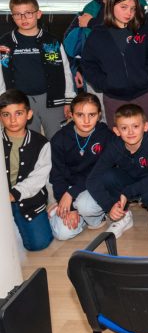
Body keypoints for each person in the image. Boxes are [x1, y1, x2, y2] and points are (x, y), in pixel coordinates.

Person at [84, 104, 148, 239]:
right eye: (124, 128)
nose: (130, 132)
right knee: (108, 176)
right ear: (117, 131)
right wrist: (109, 206)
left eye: (135, 126)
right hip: (129, 181)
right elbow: (92, 179)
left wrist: (128, 192)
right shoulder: (114, 146)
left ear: (145, 126)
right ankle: (122, 214)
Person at [63, 0, 147, 90]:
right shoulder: (90, 9)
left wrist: (92, 23)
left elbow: (131, 28)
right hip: (99, 76)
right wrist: (78, 67)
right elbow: (79, 42)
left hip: (132, 74)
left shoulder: (137, 2)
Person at [80, 0, 148, 127]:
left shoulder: (141, 30)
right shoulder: (98, 35)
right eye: (124, 7)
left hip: (144, 94)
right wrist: (105, 83)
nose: (129, 13)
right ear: (111, 6)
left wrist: (146, 75)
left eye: (133, 9)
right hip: (114, 97)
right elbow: (88, 65)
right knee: (118, 139)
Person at [0, 0, 75, 137]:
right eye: (17, 14)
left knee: (57, 140)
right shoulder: (5, 43)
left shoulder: (51, 41)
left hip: (52, 99)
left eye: (28, 13)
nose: (23, 18)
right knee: (27, 142)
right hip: (19, 102)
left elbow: (64, 70)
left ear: (38, 14)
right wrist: (3, 101)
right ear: (12, 16)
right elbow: (1, 74)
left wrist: (68, 99)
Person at [48, 93, 113, 241]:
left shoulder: (107, 136)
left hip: (94, 186)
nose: (86, 120)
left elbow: (100, 172)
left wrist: (71, 194)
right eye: (80, 115)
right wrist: (69, 208)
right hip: (69, 189)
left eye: (92, 115)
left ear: (99, 115)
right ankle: (76, 214)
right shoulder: (59, 139)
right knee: (62, 234)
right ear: (70, 115)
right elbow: (57, 176)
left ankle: (93, 217)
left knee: (85, 205)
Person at [2, 89, 53, 251]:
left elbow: (39, 178)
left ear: (29, 114)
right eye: (6, 114)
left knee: (38, 244)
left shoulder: (41, 143)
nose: (12, 120)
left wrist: (14, 194)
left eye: (18, 113)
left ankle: (19, 226)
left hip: (28, 199)